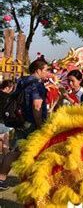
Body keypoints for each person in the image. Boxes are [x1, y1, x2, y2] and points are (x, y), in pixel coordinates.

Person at [0, 60, 49, 190]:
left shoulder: (22, 81)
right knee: (38, 152)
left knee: (15, 151)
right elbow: (37, 106)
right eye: (46, 70)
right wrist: (40, 126)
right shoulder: (37, 85)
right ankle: (33, 182)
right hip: (32, 124)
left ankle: (1, 178)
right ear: (38, 70)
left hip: (20, 121)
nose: (47, 73)